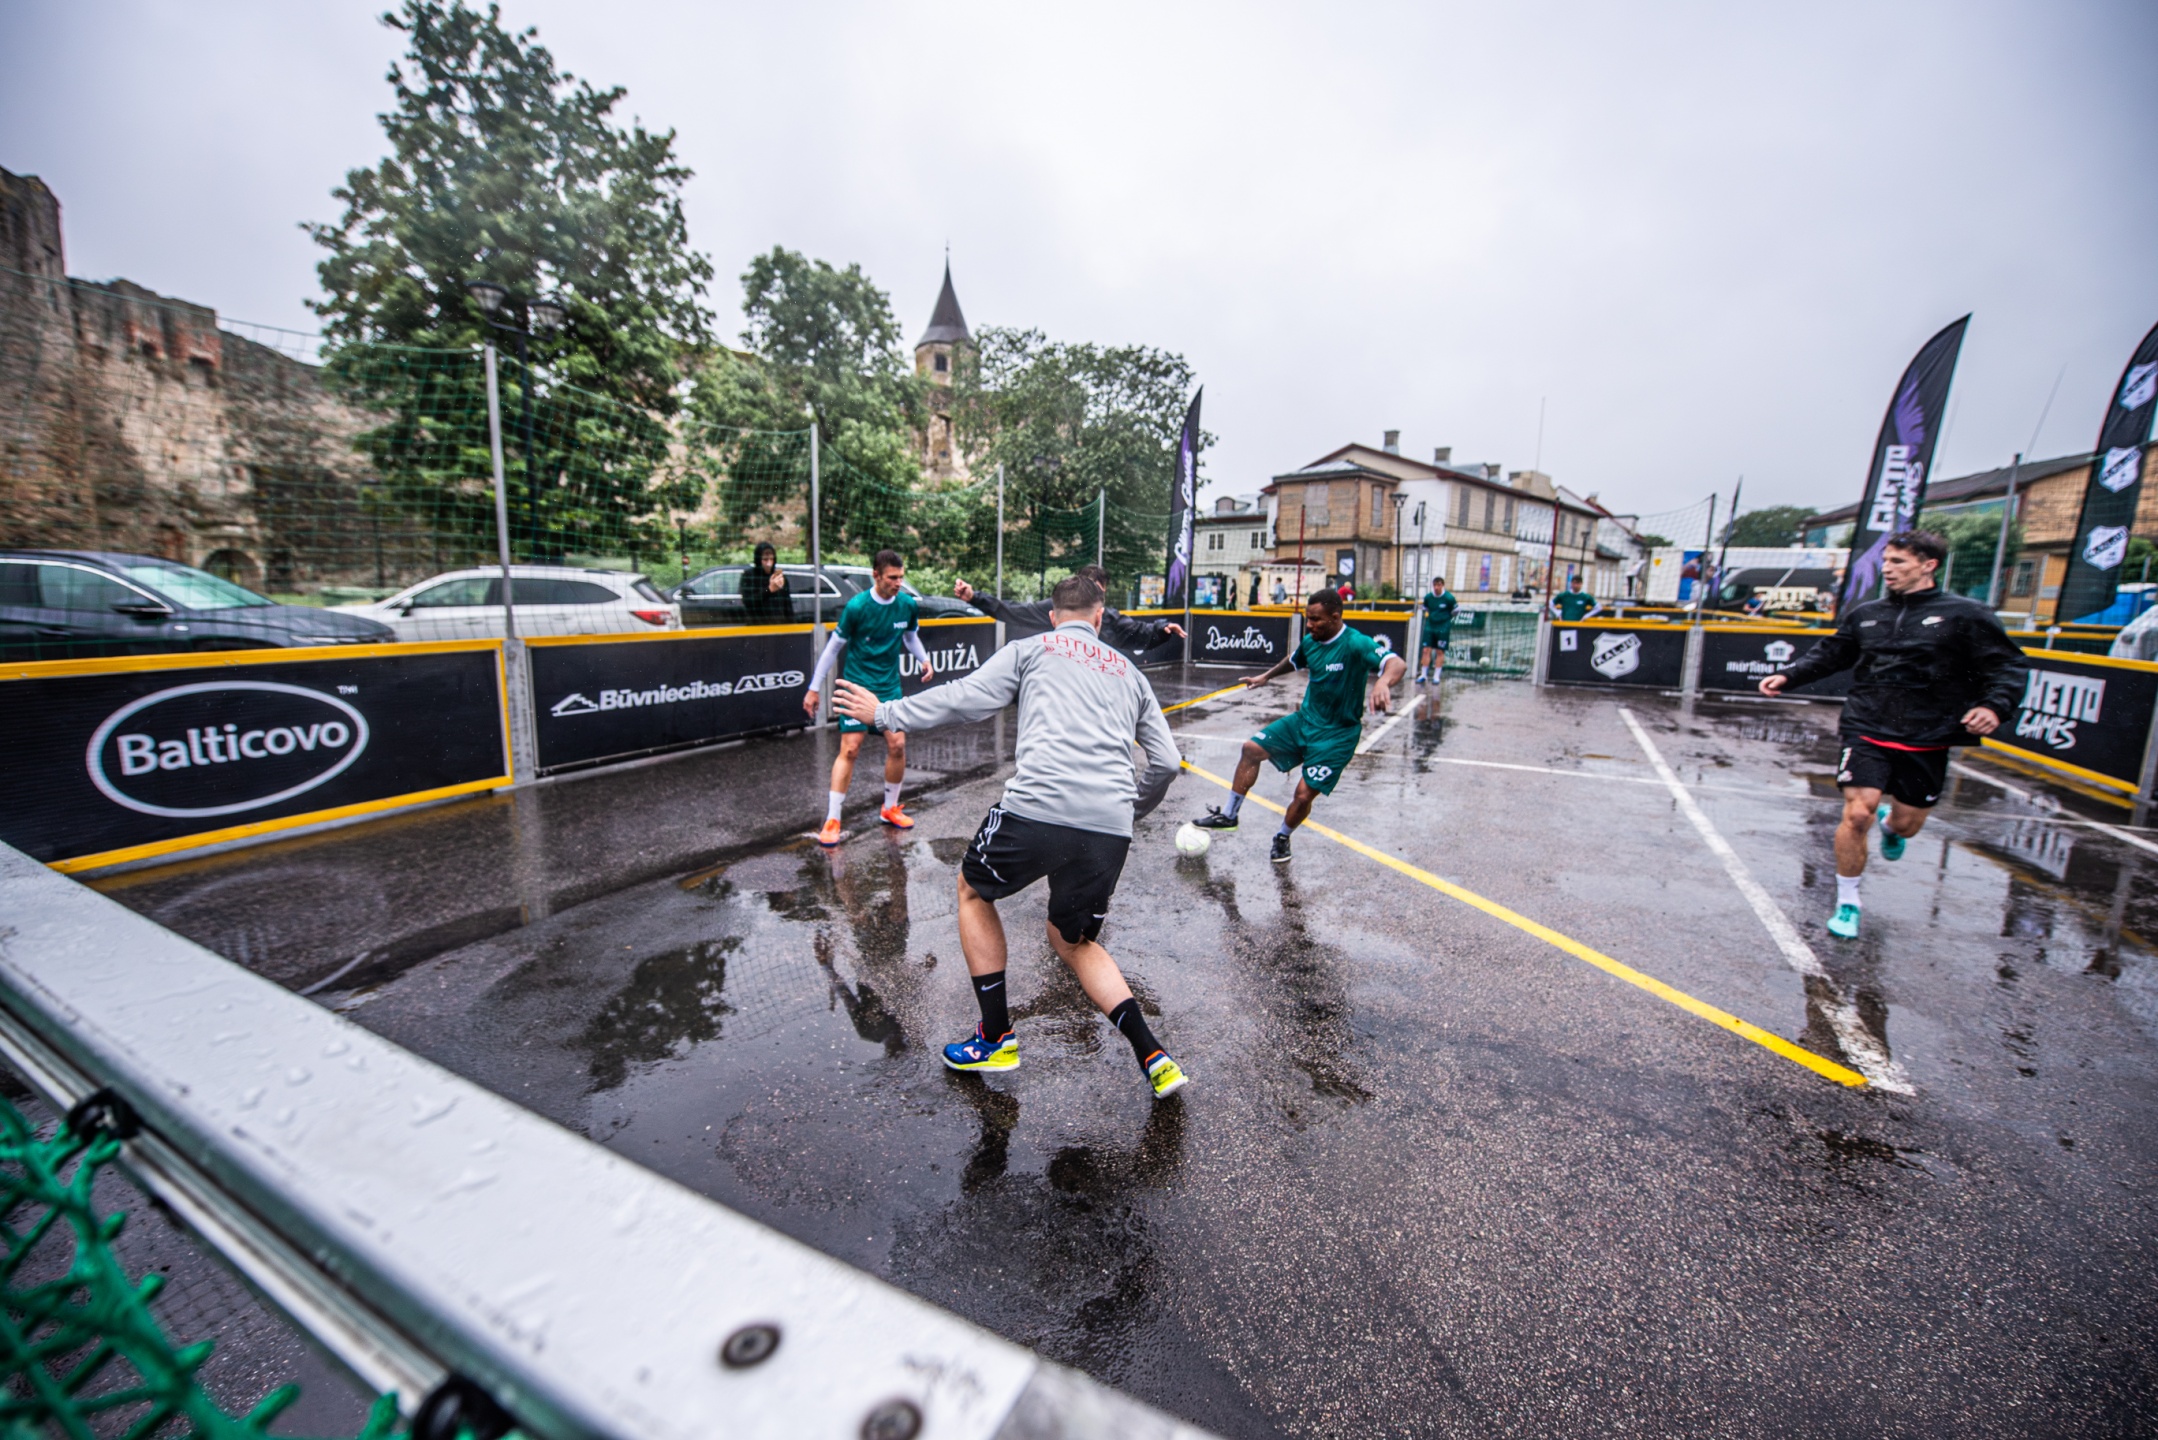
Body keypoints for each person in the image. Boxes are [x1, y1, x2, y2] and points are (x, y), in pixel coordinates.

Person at [830, 573, 1189, 1099]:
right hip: (1108, 827)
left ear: (1053, 616)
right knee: (1074, 941)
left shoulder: (1032, 649)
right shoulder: (1129, 671)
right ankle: (1154, 1056)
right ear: (1098, 617)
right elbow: (1166, 763)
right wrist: (1128, 811)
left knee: (973, 890)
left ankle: (996, 1036)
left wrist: (886, 712)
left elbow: (965, 699)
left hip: (1038, 809)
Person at [1760, 529, 2026, 940]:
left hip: (1929, 733)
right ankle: (1848, 902)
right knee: (1857, 813)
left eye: (1898, 562)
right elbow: (1832, 653)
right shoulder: (1867, 614)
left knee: (1907, 824)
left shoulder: (1966, 614)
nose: (1887, 569)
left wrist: (1994, 706)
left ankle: (1892, 827)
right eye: (1885, 561)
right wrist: (1788, 675)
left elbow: (2007, 666)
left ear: (1928, 565)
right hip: (1866, 725)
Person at [1190, 587, 1406, 862]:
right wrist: (1266, 676)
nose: (1310, 625)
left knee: (1303, 795)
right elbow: (1294, 660)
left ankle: (1282, 837)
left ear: (1335, 617)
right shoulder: (1310, 642)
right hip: (1305, 721)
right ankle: (1229, 816)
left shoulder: (1355, 643)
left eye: (1316, 619)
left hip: (1337, 735)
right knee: (1251, 749)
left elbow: (1396, 663)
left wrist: (1383, 682)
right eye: (1307, 618)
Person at [802, 550, 933, 845]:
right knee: (850, 748)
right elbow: (833, 648)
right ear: (876, 575)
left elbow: (910, 637)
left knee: (897, 744)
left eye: (901, 577)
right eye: (892, 578)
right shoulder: (857, 607)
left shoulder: (907, 605)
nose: (899, 583)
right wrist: (813, 687)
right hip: (857, 685)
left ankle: (890, 808)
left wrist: (924, 659)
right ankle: (833, 819)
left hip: (888, 687)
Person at [953, 565, 1187, 654]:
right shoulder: (1055, 607)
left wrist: (1162, 629)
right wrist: (974, 597)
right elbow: (1012, 610)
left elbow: (1138, 631)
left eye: (1099, 593)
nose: (1093, 598)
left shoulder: (1107, 617)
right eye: (1089, 590)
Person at [1416, 575, 1458, 684]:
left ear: (1442, 585)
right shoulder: (1428, 597)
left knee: (1440, 650)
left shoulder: (1449, 598)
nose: (1436, 587)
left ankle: (1436, 676)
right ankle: (1423, 675)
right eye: (1434, 585)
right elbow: (1426, 608)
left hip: (1443, 627)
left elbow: (1456, 610)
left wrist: (1446, 618)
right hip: (1430, 626)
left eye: (1438, 585)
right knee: (1426, 650)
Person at [738, 542, 792, 623]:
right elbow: (748, 601)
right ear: (759, 560)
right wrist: (769, 590)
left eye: (771, 559)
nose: (769, 564)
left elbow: (787, 606)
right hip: (757, 624)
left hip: (778, 625)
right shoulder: (749, 576)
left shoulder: (778, 577)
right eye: (765, 559)